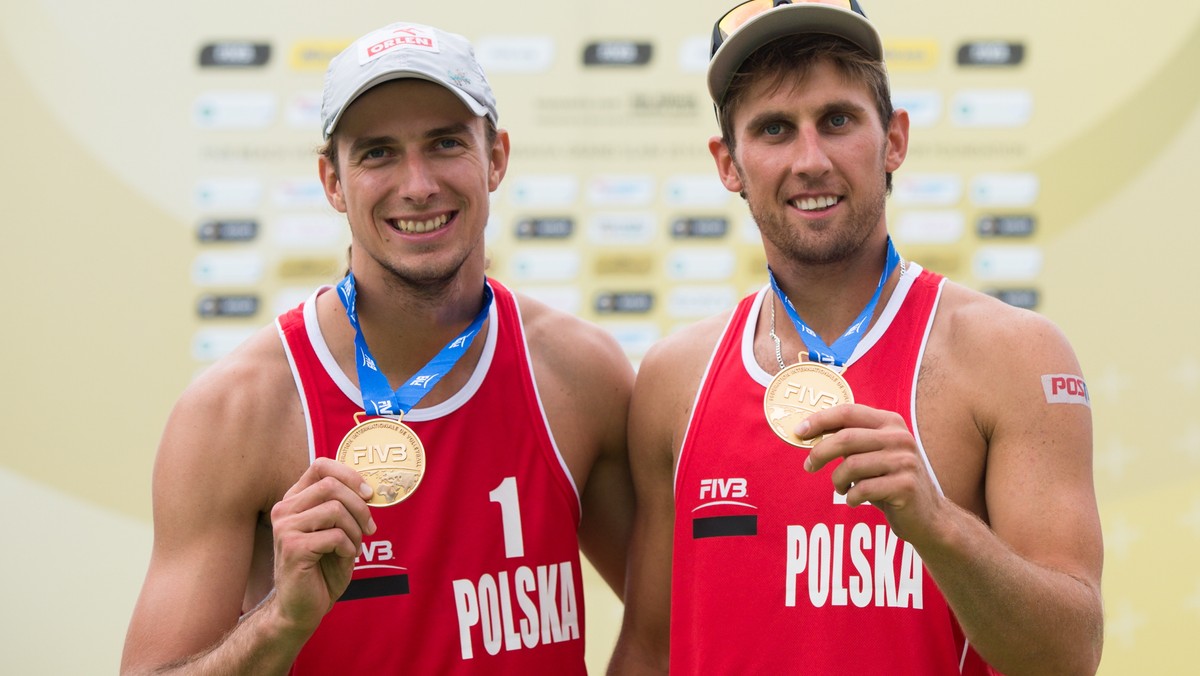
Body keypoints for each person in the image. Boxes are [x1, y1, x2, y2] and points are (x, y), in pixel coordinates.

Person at [121, 21, 635, 675]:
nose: (417, 184)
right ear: (332, 181)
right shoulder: (236, 410)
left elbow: (678, 622)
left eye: (445, 143)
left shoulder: (579, 372)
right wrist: (281, 623)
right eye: (377, 153)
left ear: (496, 157)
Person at [608, 1, 1103, 674]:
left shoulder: (1010, 354)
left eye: (837, 120)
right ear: (728, 163)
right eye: (775, 129)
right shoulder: (674, 377)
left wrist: (938, 522)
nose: (810, 160)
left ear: (893, 138)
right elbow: (649, 649)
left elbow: (1068, 655)